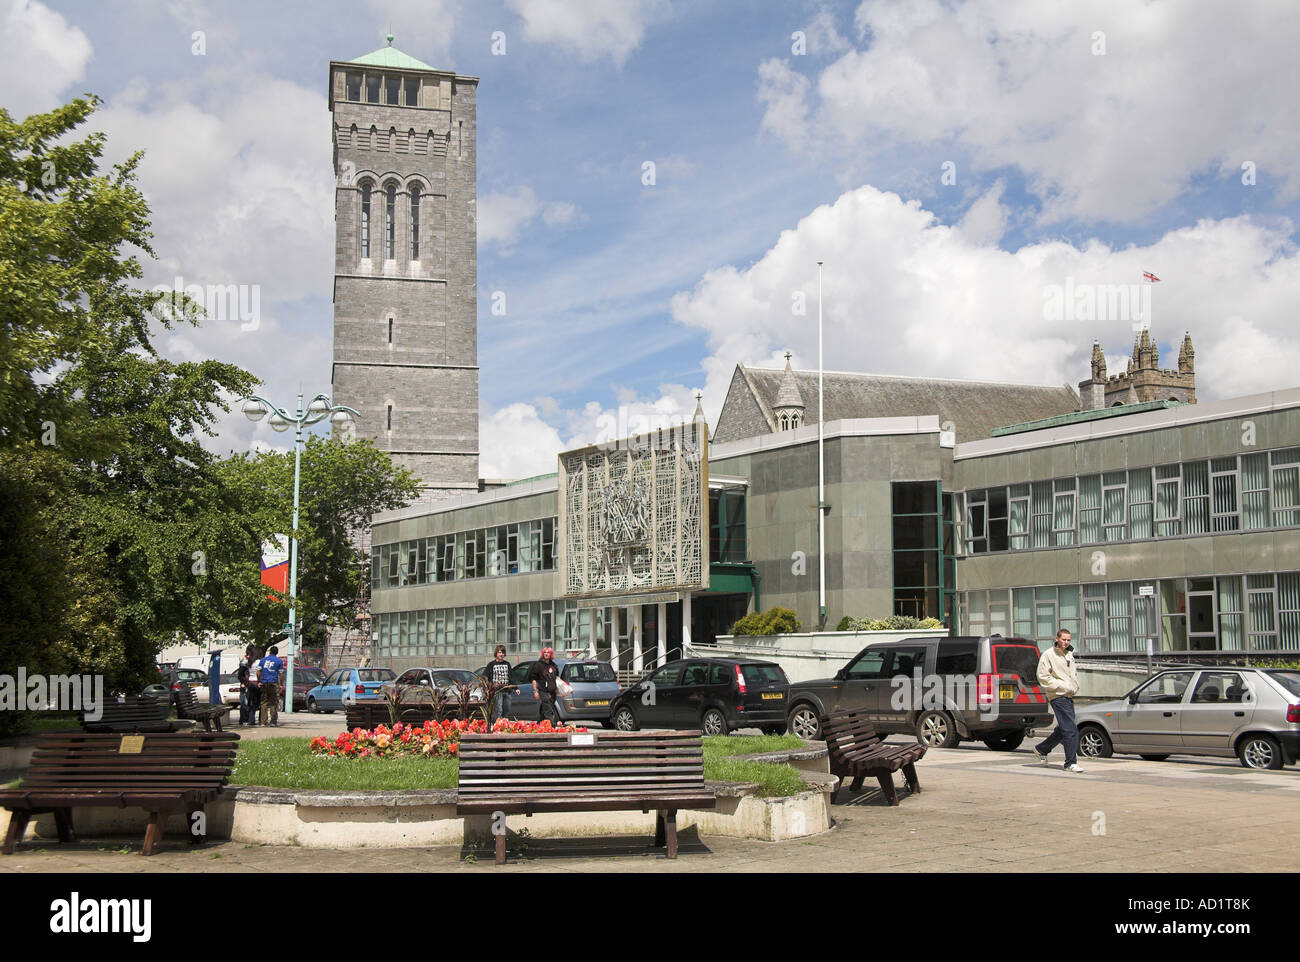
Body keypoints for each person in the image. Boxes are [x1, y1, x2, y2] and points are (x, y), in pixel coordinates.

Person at [1034, 628, 1085, 772]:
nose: (1066, 642)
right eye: (1064, 639)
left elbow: (1071, 674)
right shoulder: (1048, 655)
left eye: (1069, 640)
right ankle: (1070, 763)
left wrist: (1073, 686)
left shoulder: (1069, 654)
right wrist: (1060, 686)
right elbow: (1042, 676)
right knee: (1070, 729)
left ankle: (1042, 749)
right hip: (1057, 695)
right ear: (1057, 639)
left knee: (1064, 728)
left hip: (1068, 694)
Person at [527, 647, 562, 725]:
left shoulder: (553, 665)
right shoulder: (538, 665)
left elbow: (557, 678)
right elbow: (534, 679)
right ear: (542, 654)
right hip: (543, 690)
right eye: (545, 652)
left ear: (551, 654)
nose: (546, 654)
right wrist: (535, 691)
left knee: (546, 709)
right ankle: (553, 725)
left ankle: (539, 724)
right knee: (548, 709)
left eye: (548, 652)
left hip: (552, 691)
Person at [482, 645, 513, 724]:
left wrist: (516, 688)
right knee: (498, 709)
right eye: (499, 652)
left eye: (503, 652)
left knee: (507, 709)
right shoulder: (491, 664)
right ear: (496, 653)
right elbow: (485, 676)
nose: (501, 654)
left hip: (507, 690)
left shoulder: (507, 664)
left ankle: (503, 724)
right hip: (497, 691)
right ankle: (496, 725)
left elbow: (512, 677)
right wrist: (489, 686)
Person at [259, 645, 285, 727]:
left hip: (264, 682)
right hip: (273, 683)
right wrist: (281, 684)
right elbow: (281, 674)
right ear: (277, 652)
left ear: (270, 651)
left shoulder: (263, 660)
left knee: (264, 702)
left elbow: (258, 671)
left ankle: (263, 721)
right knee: (274, 702)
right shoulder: (279, 661)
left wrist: (259, 681)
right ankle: (273, 721)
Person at [237, 645, 257, 726]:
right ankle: (244, 719)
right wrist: (244, 682)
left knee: (248, 702)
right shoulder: (245, 660)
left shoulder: (249, 660)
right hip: (246, 684)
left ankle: (247, 719)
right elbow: (240, 674)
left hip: (248, 684)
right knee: (245, 703)